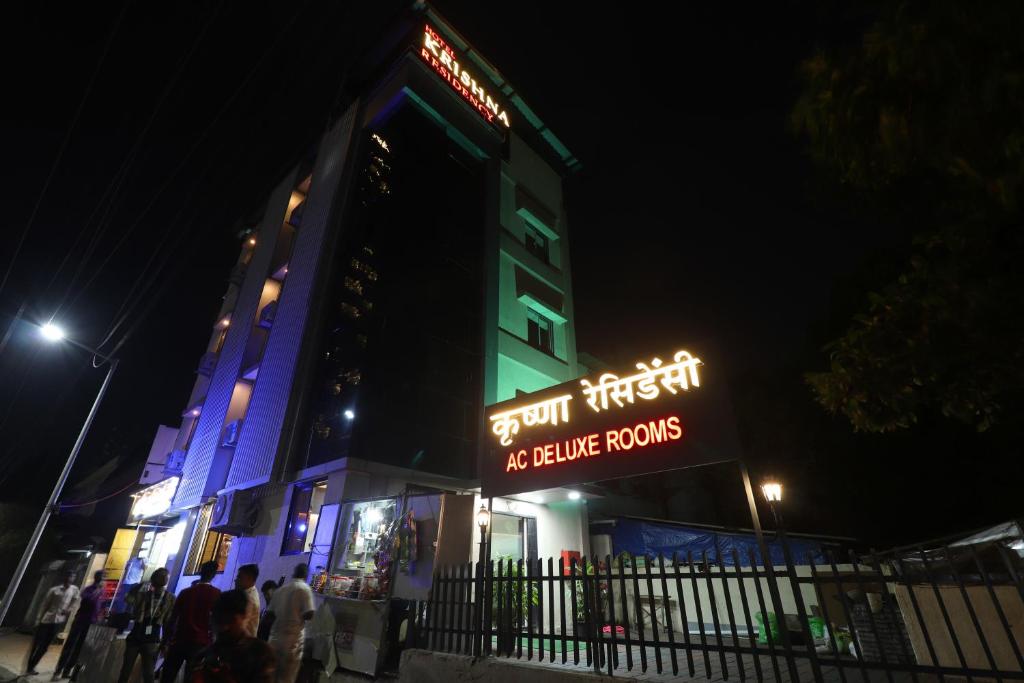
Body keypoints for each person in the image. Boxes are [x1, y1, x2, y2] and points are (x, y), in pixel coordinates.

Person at [191, 589, 276, 682]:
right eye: (219, 620)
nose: (225, 627)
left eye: (231, 620)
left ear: (245, 616)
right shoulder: (204, 656)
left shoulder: (260, 654)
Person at [160, 561, 220, 683]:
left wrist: (165, 641)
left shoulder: (185, 592)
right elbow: (217, 622)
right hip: (201, 644)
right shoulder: (217, 595)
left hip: (180, 640)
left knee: (168, 675)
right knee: (191, 677)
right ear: (214, 575)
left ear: (200, 572)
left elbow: (173, 619)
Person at [117, 568, 175, 683]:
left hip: (147, 637)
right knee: (135, 671)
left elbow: (169, 622)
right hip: (142, 636)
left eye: (165, 576)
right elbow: (128, 599)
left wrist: (165, 643)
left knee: (143, 672)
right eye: (161, 576)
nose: (164, 578)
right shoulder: (146, 594)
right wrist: (138, 587)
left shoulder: (168, 598)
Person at [26, 570, 80, 676]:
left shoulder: (74, 589)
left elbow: (75, 600)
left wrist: (69, 609)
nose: (70, 578)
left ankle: (32, 666)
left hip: (58, 621)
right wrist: (38, 620)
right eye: (68, 576)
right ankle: (29, 666)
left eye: (72, 577)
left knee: (45, 646)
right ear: (64, 577)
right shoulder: (54, 590)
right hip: (46, 620)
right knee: (37, 644)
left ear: (74, 578)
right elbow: (44, 605)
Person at [266, 564, 314, 683]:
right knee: (287, 678)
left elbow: (270, 614)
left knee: (270, 677)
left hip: (275, 639)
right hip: (292, 642)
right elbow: (309, 614)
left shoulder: (280, 590)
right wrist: (296, 614)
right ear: (306, 575)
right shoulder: (305, 589)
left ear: (294, 573)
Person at [53, 569, 104, 680]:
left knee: (81, 649)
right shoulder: (88, 590)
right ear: (98, 579)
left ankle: (68, 671)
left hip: (91, 624)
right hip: (80, 621)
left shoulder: (102, 592)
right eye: (103, 579)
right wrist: (97, 591)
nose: (104, 581)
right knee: (70, 646)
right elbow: (87, 599)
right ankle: (58, 671)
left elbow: (98, 607)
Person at [233, 564, 261, 638]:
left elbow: (238, 626)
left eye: (239, 577)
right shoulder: (249, 592)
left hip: (243, 643)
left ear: (250, 579)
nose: (235, 580)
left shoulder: (249, 599)